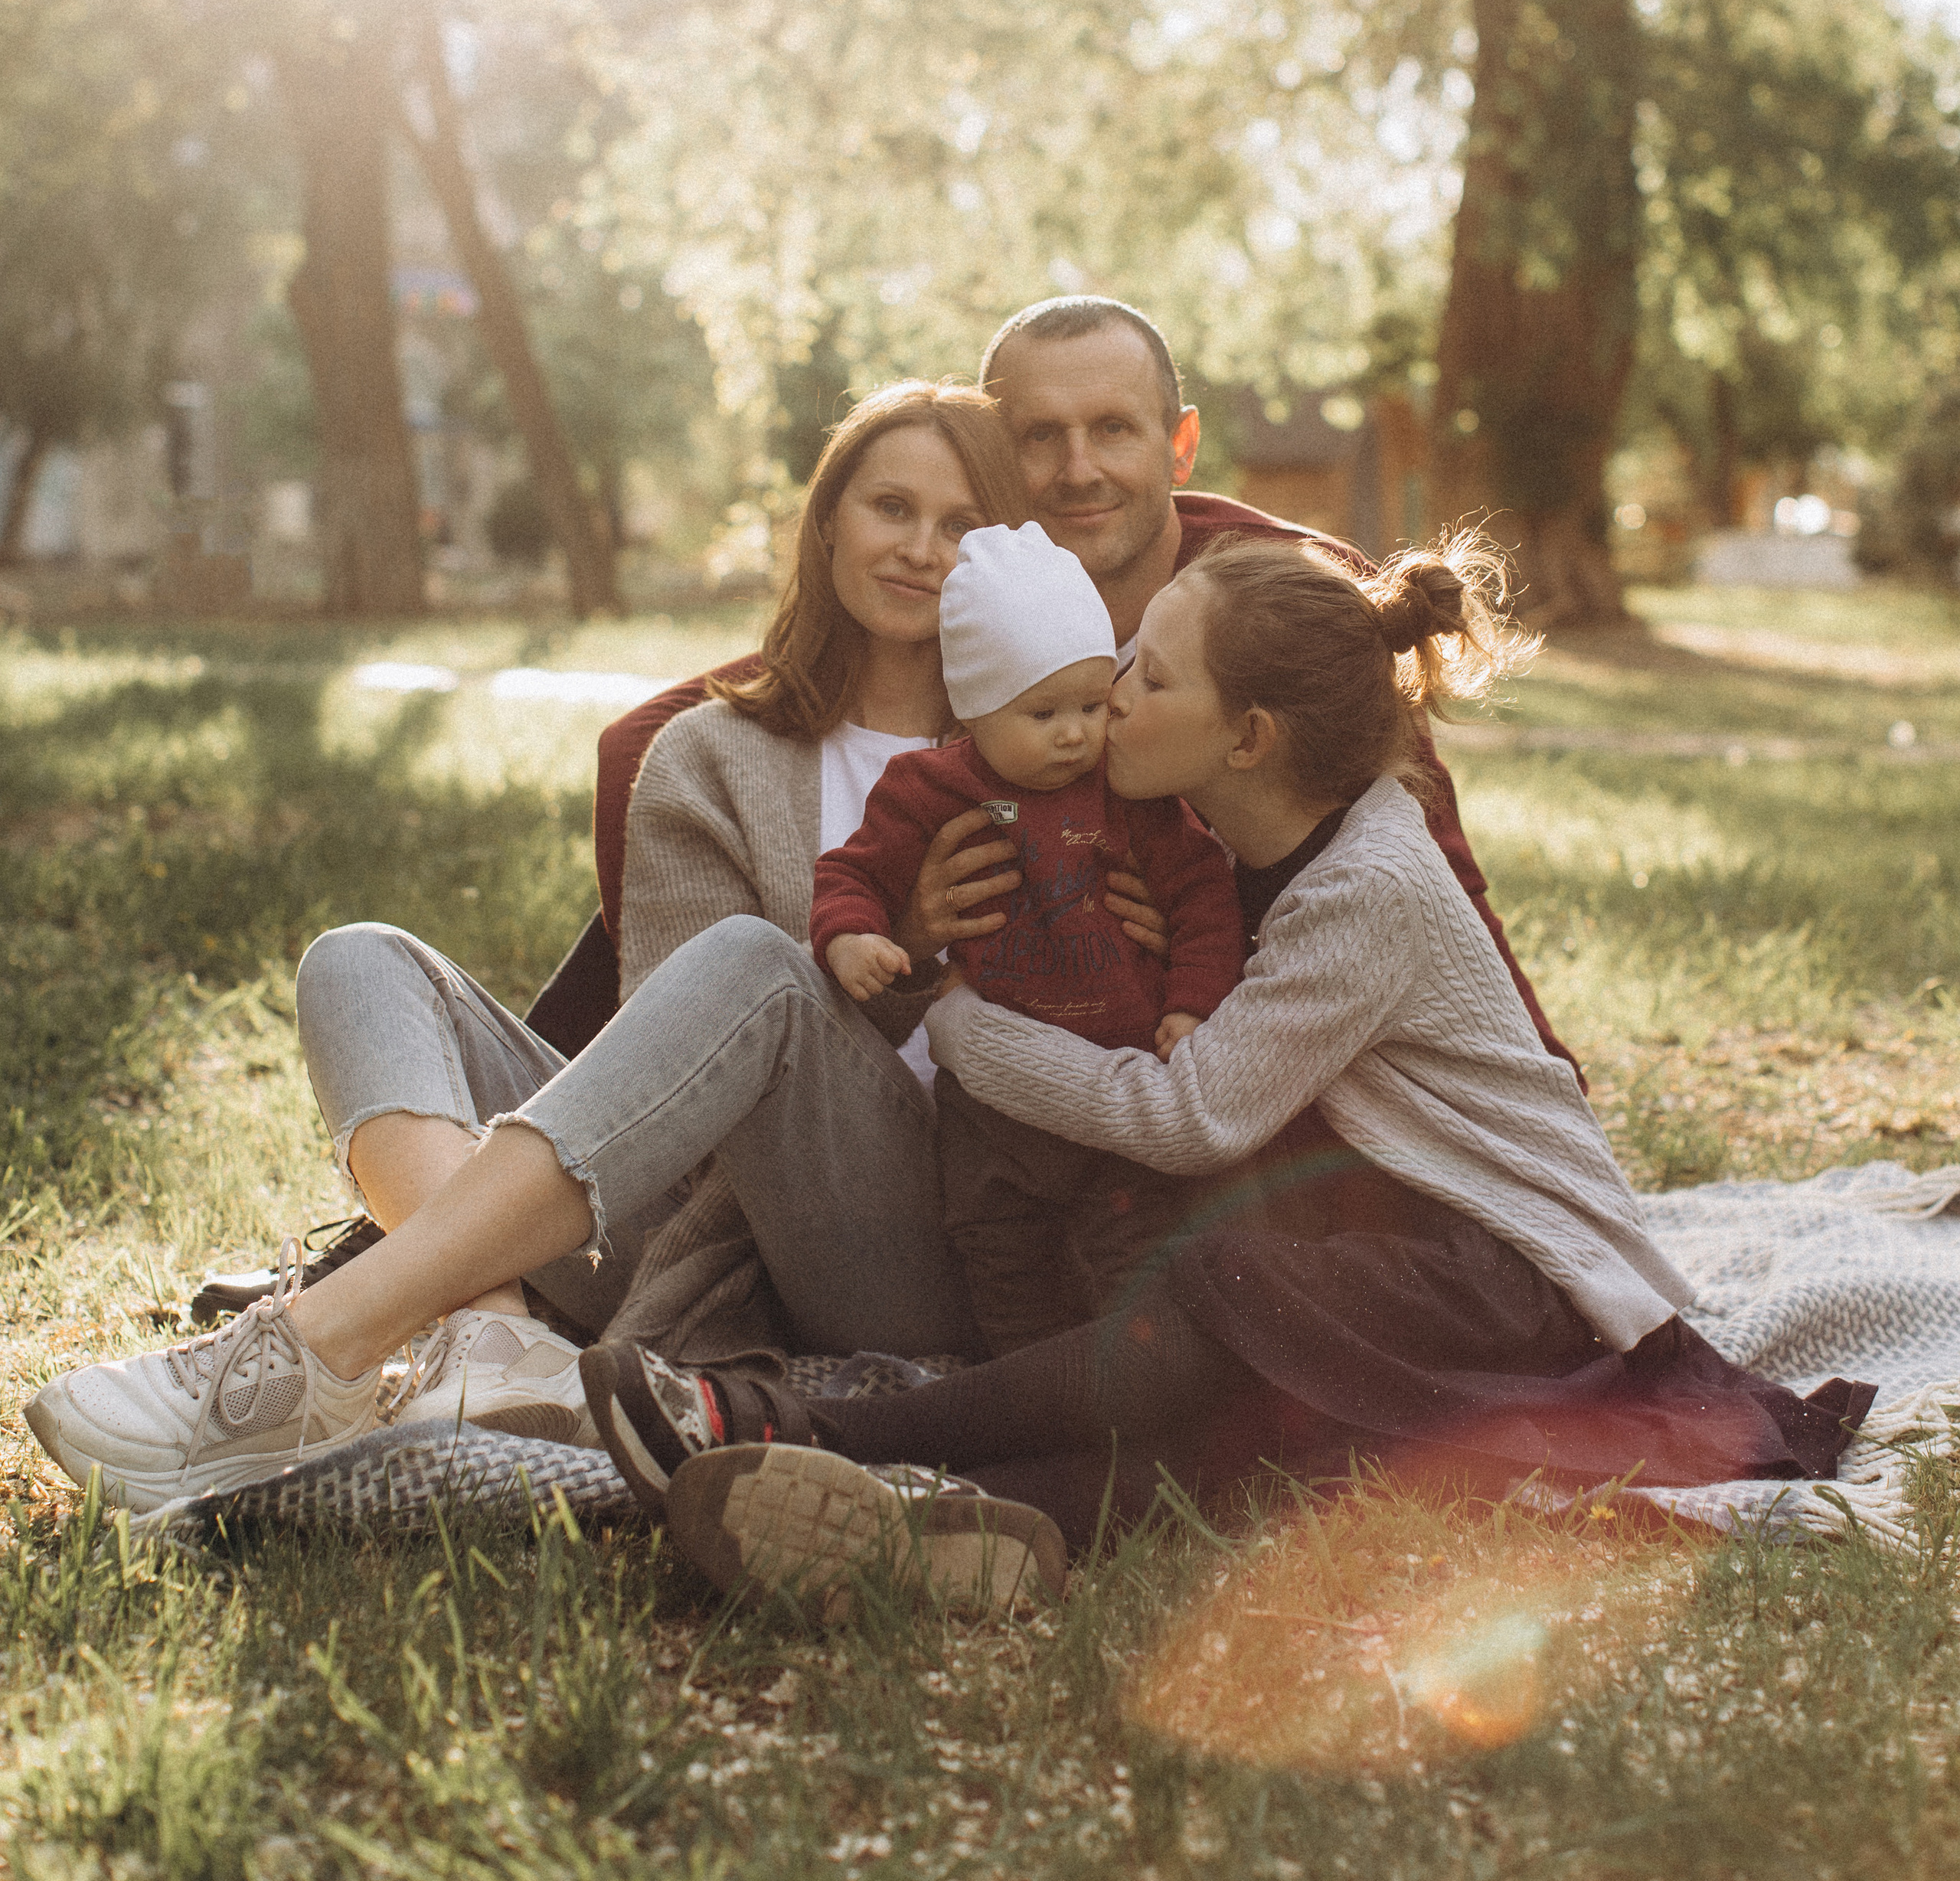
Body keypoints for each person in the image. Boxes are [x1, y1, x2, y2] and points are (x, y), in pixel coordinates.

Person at [584, 531, 1876, 1610]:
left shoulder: (1372, 883)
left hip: (1510, 1272)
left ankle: (791, 1434)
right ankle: (941, 1524)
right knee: (1261, 1444)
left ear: (1245, 738)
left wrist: (964, 1024)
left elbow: (1190, 1112)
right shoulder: (1217, 832)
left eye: (1148, 677)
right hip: (1385, 1235)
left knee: (1214, 1296)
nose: (1113, 699)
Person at [24, 380, 1072, 1510]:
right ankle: (494, 1344)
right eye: (891, 508)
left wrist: (907, 953)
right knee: (359, 960)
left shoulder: (1042, 767)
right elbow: (676, 1094)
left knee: (760, 965)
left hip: (912, 1250)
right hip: (703, 1221)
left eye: (961, 523)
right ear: (827, 527)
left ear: (1008, 549)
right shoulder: (712, 757)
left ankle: (318, 1343)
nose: (920, 547)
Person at [540, 296, 1579, 1084]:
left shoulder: (1261, 597)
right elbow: (757, 708)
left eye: (1115, 431)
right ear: (998, 452)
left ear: (1179, 444)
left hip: (1209, 1024)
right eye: (1039, 437)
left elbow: (1424, 868)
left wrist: (1541, 1075)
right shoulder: (973, 600)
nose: (1078, 470)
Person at [813, 520, 1243, 1353]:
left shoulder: (1127, 789)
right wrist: (852, 939)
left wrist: (1191, 1006)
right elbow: (851, 874)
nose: (1076, 733)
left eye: (1092, 704)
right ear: (975, 707)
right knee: (1000, 1257)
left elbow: (1202, 896)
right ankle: (1017, 1389)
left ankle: (1129, 1400)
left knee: (1134, 1259)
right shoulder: (930, 790)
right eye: (1043, 712)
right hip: (993, 1100)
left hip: (1118, 1082)